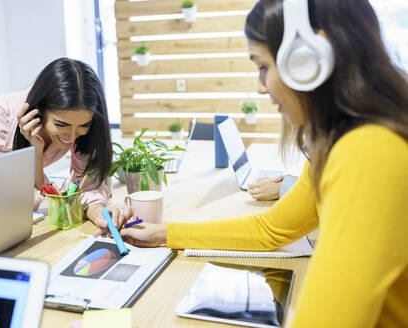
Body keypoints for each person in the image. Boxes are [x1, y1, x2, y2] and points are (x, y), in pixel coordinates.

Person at [120, 0, 408, 327]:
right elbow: (270, 229)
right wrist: (165, 233)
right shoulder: (347, 143)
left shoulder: (368, 153)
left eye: (263, 66)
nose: (260, 86)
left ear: (307, 61)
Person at [0, 58, 132, 232]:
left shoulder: (87, 125)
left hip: (17, 180)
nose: (73, 136)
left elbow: (86, 186)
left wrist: (99, 213)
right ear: (39, 111)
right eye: (61, 124)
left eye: (83, 126)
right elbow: (23, 193)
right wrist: (36, 152)